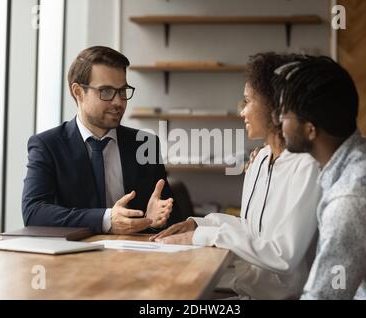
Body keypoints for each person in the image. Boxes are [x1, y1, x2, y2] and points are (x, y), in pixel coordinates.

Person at [150, 53, 321, 299]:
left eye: (248, 100)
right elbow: (251, 229)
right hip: (244, 294)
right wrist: (199, 223)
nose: (242, 111)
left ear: (276, 106)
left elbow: (283, 255)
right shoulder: (260, 159)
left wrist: (204, 235)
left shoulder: (307, 166)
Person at [275, 56, 366, 299]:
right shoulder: (363, 153)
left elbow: (324, 296)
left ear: (310, 129)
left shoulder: (351, 200)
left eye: (285, 114)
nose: (279, 122)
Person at [22, 46, 185, 234]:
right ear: (78, 92)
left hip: (134, 257)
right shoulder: (47, 145)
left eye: (123, 91)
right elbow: (33, 212)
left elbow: (172, 215)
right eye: (106, 92)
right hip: (75, 258)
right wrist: (106, 219)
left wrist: (156, 220)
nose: (118, 102)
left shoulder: (145, 144)